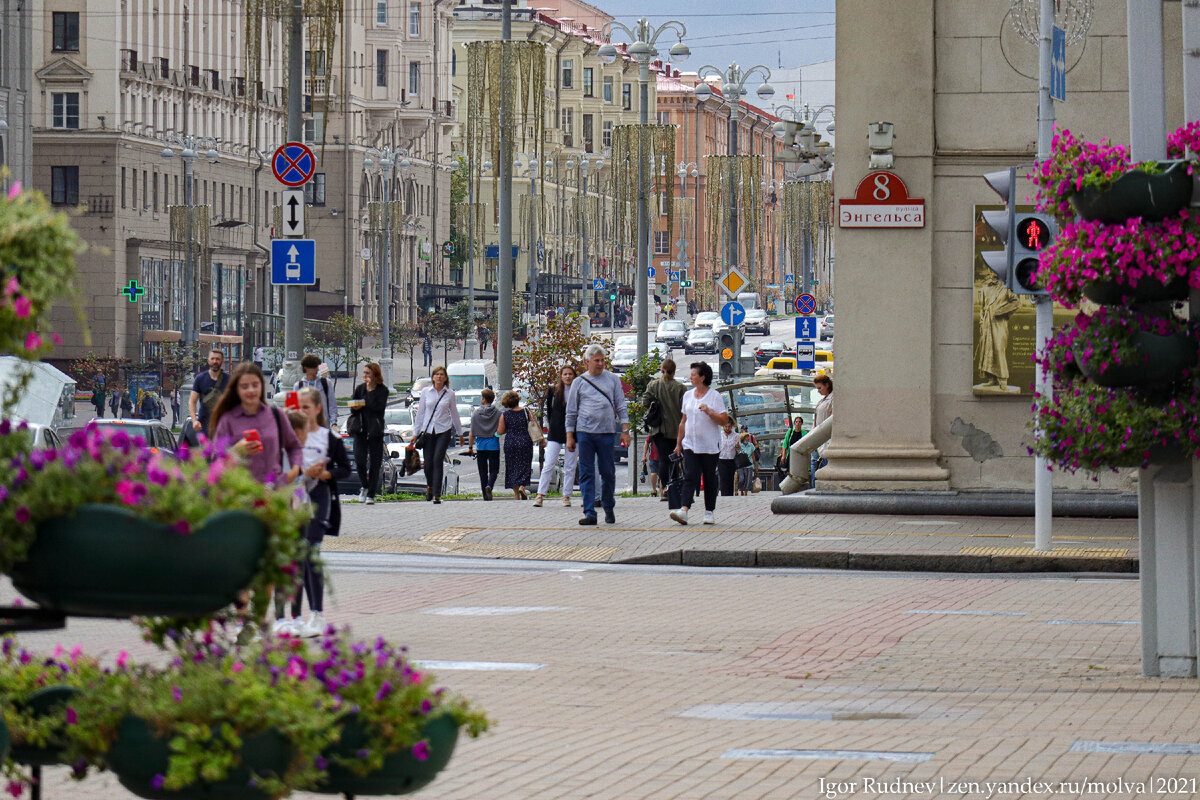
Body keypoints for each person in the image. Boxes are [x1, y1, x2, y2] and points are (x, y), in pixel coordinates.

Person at [277, 389, 351, 638]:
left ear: (318, 409)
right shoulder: (289, 436)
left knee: (311, 553)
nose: (302, 411)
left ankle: (317, 614)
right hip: (294, 497)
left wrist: (327, 474)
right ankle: (295, 618)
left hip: (318, 499)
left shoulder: (327, 438)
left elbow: (345, 468)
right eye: (299, 407)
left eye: (307, 407)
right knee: (296, 557)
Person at [566, 344, 630, 526]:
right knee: (586, 473)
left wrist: (625, 431)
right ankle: (589, 512)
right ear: (587, 362)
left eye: (603, 360)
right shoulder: (579, 382)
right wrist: (570, 436)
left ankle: (608, 507)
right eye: (597, 361)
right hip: (585, 433)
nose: (601, 364)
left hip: (607, 433)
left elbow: (621, 405)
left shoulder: (612, 380)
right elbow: (571, 412)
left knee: (608, 473)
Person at [670, 361, 730, 526]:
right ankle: (684, 510)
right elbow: (683, 421)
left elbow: (724, 420)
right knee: (690, 476)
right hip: (691, 444)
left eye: (694, 374)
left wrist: (710, 411)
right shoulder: (688, 396)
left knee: (709, 478)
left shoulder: (714, 396)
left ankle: (709, 511)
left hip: (709, 446)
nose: (691, 377)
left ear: (702, 377)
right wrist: (679, 443)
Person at [408, 365, 459, 504]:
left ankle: (437, 494)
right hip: (428, 431)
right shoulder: (426, 392)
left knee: (438, 460)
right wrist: (415, 433)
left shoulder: (450, 394)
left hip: (444, 430)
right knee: (429, 463)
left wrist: (460, 433)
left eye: (442, 375)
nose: (439, 377)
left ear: (445, 378)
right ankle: (430, 486)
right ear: (433, 377)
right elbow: (421, 413)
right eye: (437, 374)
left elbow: (454, 414)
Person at [534, 364, 579, 508]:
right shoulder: (553, 391)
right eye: (565, 374)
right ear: (561, 376)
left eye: (570, 374)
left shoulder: (578, 390)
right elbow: (550, 410)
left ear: (574, 376)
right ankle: (540, 495)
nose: (567, 377)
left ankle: (566, 495)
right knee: (549, 464)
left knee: (570, 465)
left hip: (574, 431)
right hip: (556, 431)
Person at [641, 358, 685, 502]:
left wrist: (655, 404)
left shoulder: (654, 385)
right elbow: (685, 409)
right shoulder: (680, 388)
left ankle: (665, 487)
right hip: (676, 429)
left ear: (662, 370)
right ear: (674, 371)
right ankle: (674, 486)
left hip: (659, 430)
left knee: (663, 459)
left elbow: (645, 402)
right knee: (675, 459)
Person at [347, 362, 389, 504]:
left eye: (368, 373)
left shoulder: (382, 390)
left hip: (375, 430)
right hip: (360, 429)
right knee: (359, 461)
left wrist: (365, 400)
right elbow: (352, 408)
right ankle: (364, 486)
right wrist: (356, 406)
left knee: (375, 464)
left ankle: (371, 494)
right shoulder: (359, 389)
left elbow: (378, 407)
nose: (365, 376)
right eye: (364, 373)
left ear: (375, 375)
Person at [496, 390, 534, 500]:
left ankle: (516, 494)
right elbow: (534, 425)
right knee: (525, 466)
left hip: (511, 443)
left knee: (512, 468)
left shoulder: (505, 415)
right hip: (525, 442)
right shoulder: (527, 412)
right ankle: (523, 486)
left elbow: (500, 431)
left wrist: (495, 434)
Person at [468, 389, 502, 500]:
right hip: (494, 445)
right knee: (494, 470)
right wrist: (496, 435)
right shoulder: (498, 413)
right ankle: (490, 485)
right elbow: (501, 429)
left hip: (481, 446)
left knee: (483, 472)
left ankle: (485, 496)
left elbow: (472, 432)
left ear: (483, 399)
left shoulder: (476, 414)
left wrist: (470, 447)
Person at [190, 349, 230, 437]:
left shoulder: (229, 379)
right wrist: (194, 420)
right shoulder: (200, 379)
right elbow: (192, 401)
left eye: (218, 359)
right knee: (206, 450)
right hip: (204, 426)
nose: (215, 361)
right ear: (208, 361)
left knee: (222, 450)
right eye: (212, 359)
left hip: (224, 426)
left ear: (222, 361)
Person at [294, 353, 338, 431]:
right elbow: (295, 408)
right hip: (305, 427)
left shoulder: (326, 383)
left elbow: (332, 404)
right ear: (306, 368)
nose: (317, 370)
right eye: (314, 367)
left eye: (317, 367)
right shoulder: (298, 386)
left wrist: (333, 422)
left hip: (323, 425)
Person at [811, 374, 834, 486]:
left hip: (827, 439)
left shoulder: (833, 399)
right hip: (819, 438)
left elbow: (832, 417)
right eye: (817, 388)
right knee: (815, 464)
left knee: (824, 463)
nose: (818, 391)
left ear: (827, 385)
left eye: (820, 388)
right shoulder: (822, 401)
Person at [718, 420, 739, 496]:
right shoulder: (719, 435)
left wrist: (737, 446)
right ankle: (724, 494)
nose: (727, 428)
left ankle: (730, 494)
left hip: (731, 459)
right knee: (723, 478)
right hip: (721, 459)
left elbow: (739, 450)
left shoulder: (736, 436)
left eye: (729, 426)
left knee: (730, 478)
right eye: (725, 426)